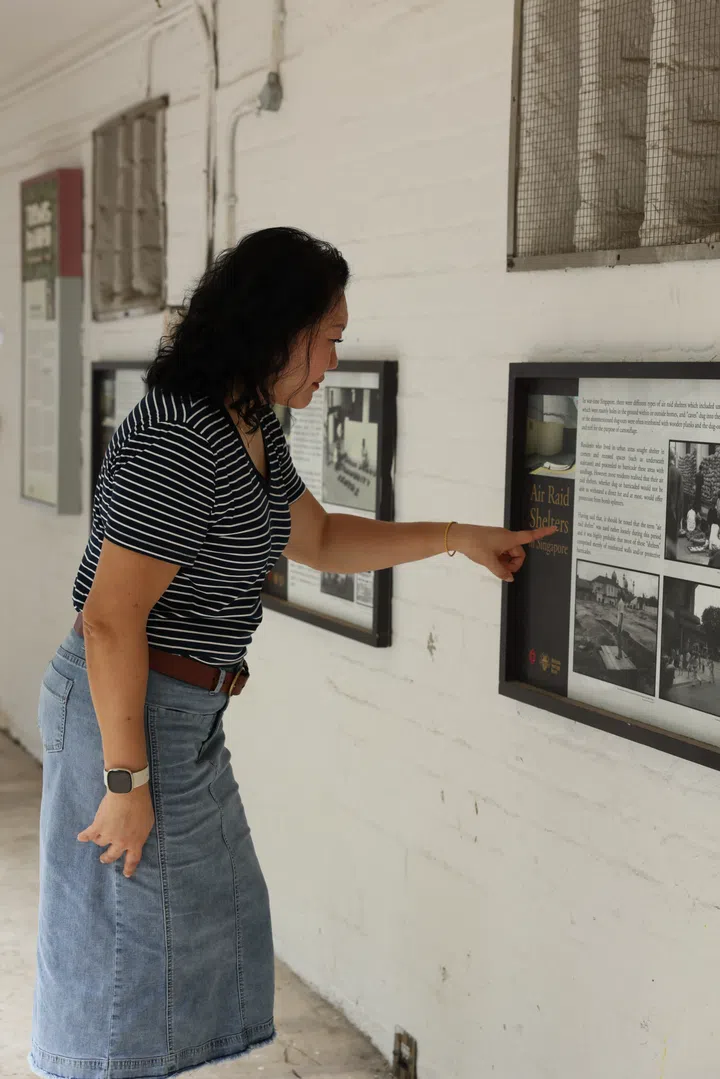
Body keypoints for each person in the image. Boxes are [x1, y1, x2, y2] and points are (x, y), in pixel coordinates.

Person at [28, 227, 555, 1079]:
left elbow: (321, 537)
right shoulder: (182, 436)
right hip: (125, 709)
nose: (335, 360)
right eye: (330, 338)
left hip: (183, 715)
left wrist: (459, 538)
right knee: (123, 965)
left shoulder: (249, 427)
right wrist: (125, 781)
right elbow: (110, 621)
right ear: (278, 328)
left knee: (202, 936)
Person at [666, 448, 683, 558]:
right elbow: (680, 501)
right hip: (673, 517)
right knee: (671, 548)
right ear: (673, 457)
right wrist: (679, 519)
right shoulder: (677, 473)